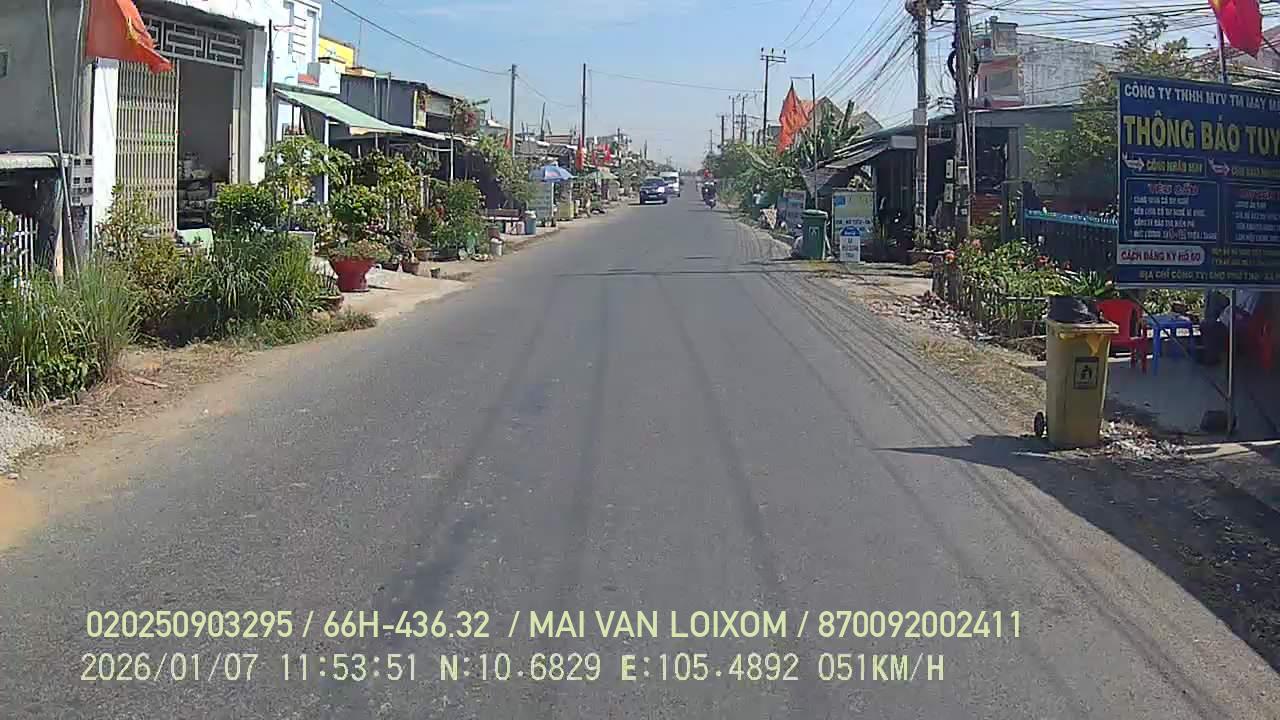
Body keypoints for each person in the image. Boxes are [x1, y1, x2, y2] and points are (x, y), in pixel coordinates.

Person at [1199, 289, 1263, 365]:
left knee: (1209, 327)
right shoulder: (1241, 289)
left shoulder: (1253, 292)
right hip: (1228, 313)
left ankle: (1211, 356)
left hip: (1236, 322)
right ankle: (1207, 345)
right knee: (1213, 295)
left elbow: (1247, 314)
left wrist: (1233, 310)